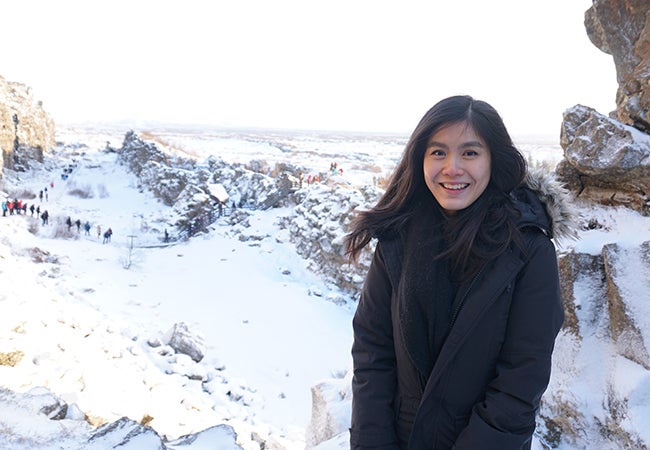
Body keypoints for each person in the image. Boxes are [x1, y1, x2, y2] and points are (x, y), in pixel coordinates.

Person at [344, 95, 575, 450]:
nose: (452, 168)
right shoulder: (396, 241)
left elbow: (520, 380)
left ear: (493, 160)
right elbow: (373, 352)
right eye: (438, 152)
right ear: (420, 160)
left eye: (469, 153)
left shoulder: (528, 250)